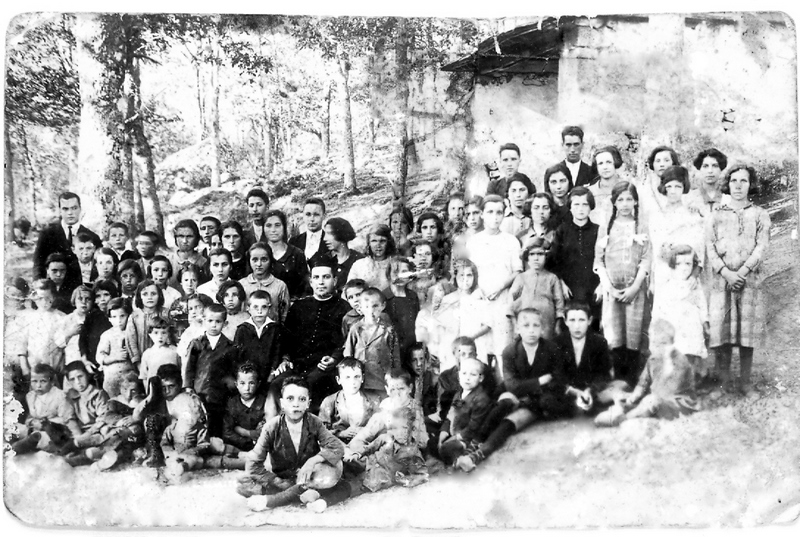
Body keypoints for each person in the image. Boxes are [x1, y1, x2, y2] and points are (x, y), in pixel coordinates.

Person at [455, 309, 571, 472]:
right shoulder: (510, 351)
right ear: (517, 328)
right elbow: (512, 386)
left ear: (542, 328)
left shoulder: (551, 349)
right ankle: (471, 447)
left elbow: (558, 381)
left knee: (509, 422)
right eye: (526, 325)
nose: (531, 330)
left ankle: (477, 456)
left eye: (536, 325)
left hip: (539, 400)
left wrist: (527, 393)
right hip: (515, 394)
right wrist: (539, 381)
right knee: (499, 408)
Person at [240, 376, 351, 514]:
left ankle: (274, 500)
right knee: (243, 484)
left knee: (342, 484)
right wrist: (277, 481)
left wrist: (312, 461)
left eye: (302, 399)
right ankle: (308, 495)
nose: (296, 404)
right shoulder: (271, 427)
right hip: (283, 479)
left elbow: (336, 447)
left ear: (308, 404)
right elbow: (253, 465)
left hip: (310, 478)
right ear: (282, 403)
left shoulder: (314, 422)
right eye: (290, 399)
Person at [706, 163, 770, 395]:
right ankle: (723, 382)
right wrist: (726, 273)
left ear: (750, 184)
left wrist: (741, 273)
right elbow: (710, 247)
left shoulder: (760, 214)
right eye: (734, 180)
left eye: (744, 181)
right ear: (728, 184)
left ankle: (745, 381)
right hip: (722, 282)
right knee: (722, 332)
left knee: (746, 332)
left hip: (748, 281)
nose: (738, 186)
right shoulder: (716, 215)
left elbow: (761, 247)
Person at [267, 257, 350, 416]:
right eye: (316, 277)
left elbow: (346, 342)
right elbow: (286, 338)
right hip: (297, 365)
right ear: (311, 282)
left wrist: (334, 359)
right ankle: (273, 426)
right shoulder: (299, 306)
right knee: (276, 385)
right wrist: (285, 359)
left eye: (326, 277)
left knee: (309, 387)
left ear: (334, 280)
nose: (321, 282)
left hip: (324, 368)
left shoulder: (344, 308)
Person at [594, 181, 652, 386]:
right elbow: (598, 260)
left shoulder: (641, 226)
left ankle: (633, 381)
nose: (625, 204)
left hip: (634, 290)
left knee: (633, 334)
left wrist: (635, 287)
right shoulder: (607, 227)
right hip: (612, 290)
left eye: (629, 199)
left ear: (635, 201)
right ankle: (618, 382)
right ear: (614, 202)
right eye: (620, 199)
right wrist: (608, 286)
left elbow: (646, 258)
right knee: (615, 335)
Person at [594, 319, 699, 427]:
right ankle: (621, 412)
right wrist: (633, 397)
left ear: (672, 343)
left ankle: (624, 419)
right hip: (656, 401)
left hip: (677, 405)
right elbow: (642, 383)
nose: (657, 348)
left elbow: (669, 390)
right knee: (622, 397)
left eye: (663, 343)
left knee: (651, 400)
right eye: (653, 343)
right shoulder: (653, 359)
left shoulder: (680, 361)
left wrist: (667, 361)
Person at [465, 194, 523, 379]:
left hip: (502, 301)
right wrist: (476, 289)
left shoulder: (511, 241)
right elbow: (468, 271)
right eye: (490, 212)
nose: (495, 217)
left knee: (502, 350)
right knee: (481, 349)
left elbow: (517, 271)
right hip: (480, 300)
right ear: (482, 214)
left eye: (499, 212)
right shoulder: (474, 241)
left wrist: (500, 287)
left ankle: (504, 389)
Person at [345, 369, 430, 491]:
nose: (397, 394)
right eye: (392, 390)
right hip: (385, 442)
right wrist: (355, 445)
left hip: (404, 451)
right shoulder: (387, 404)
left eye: (401, 389)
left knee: (384, 465)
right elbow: (370, 430)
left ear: (410, 388)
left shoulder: (414, 408)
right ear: (387, 390)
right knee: (356, 450)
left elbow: (422, 440)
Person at [554, 301, 623, 414]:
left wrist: (590, 390)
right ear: (565, 321)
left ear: (589, 321)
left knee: (617, 387)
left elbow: (603, 373)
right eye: (572, 320)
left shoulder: (599, 342)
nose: (577, 326)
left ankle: (587, 403)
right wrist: (573, 391)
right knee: (549, 400)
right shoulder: (557, 343)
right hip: (568, 389)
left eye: (581, 320)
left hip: (589, 388)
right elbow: (556, 374)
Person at [652, 245, 709, 378]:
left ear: (693, 265)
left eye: (688, 264)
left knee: (691, 352)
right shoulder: (668, 284)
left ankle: (690, 379)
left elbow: (702, 304)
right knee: (675, 352)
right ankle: (675, 379)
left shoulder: (694, 283)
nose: (684, 268)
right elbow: (659, 306)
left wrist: (705, 322)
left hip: (692, 327)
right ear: (673, 265)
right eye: (679, 264)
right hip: (675, 326)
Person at [184, 303, 240, 437]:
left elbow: (233, 370)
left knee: (217, 423)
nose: (213, 325)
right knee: (199, 420)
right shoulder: (196, 344)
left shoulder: (229, 347)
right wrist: (188, 387)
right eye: (210, 321)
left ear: (224, 324)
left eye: (218, 322)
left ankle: (216, 443)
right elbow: (189, 368)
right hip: (200, 391)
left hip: (220, 393)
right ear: (203, 321)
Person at [647, 166, 704, 296]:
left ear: (684, 188)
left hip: (686, 273)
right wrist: (652, 281)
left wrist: (694, 276)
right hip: (663, 274)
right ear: (664, 188)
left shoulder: (692, 216)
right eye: (669, 186)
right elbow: (654, 250)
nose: (673, 191)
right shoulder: (656, 216)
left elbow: (700, 251)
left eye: (678, 186)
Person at [33, 192, 102, 289]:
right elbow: (38, 262)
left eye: (74, 208)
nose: (70, 213)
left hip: (81, 290)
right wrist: (39, 284)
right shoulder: (47, 234)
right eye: (65, 209)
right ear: (60, 210)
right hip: (55, 288)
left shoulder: (92, 237)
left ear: (80, 209)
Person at [343, 287, 401, 398]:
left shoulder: (388, 330)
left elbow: (396, 358)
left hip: (381, 380)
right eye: (366, 307)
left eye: (375, 306)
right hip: (361, 381)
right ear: (360, 308)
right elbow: (348, 355)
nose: (371, 311)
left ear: (383, 306)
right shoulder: (356, 329)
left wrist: (393, 378)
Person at [11, 363, 82, 455]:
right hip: (34, 429)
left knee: (38, 436)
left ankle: (19, 446)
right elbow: (30, 416)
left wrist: (78, 441)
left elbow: (69, 421)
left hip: (55, 433)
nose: (38, 386)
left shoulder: (60, 396)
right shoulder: (31, 396)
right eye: (34, 381)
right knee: (12, 427)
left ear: (52, 382)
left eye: (43, 381)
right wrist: (32, 422)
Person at [437, 357, 494, 466]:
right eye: (464, 373)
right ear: (459, 375)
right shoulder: (459, 394)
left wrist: (455, 438)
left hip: (468, 438)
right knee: (435, 442)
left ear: (480, 378)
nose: (467, 378)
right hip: (455, 431)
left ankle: (462, 457)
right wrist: (443, 434)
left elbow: (473, 427)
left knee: (447, 449)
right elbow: (452, 413)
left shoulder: (481, 399)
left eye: (473, 375)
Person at [435, 259, 491, 369]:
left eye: (469, 275)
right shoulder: (448, 299)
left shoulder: (479, 297)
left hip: (474, 344)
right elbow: (441, 327)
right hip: (452, 345)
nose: (465, 279)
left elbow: (487, 325)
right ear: (455, 277)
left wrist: (469, 339)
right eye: (461, 275)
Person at [510, 238, 566, 340]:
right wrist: (515, 326)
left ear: (546, 256)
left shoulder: (552, 278)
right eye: (532, 254)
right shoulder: (521, 278)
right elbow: (511, 303)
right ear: (527, 257)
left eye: (540, 254)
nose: (536, 258)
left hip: (546, 323)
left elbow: (559, 304)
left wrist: (557, 325)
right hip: (525, 322)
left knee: (545, 346)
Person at [15, 279, 66, 383]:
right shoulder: (28, 317)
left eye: (48, 298)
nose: (44, 302)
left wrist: (62, 363)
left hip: (54, 367)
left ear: (54, 297)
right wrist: (25, 368)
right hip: (33, 368)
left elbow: (65, 343)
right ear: (34, 298)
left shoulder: (61, 317)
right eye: (40, 298)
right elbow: (21, 344)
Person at [319, 358, 381, 442]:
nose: (353, 382)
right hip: (339, 444)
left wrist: (366, 431)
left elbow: (381, 426)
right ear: (338, 380)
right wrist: (341, 433)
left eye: (357, 377)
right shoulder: (330, 401)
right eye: (347, 377)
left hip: (366, 444)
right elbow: (321, 431)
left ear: (362, 378)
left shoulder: (373, 399)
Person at [234, 289, 281, 387]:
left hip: (269, 375)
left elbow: (277, 353)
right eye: (255, 307)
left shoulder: (275, 328)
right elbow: (237, 355)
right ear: (248, 308)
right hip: (247, 376)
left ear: (269, 309)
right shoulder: (242, 329)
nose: (259, 311)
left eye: (264, 307)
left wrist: (272, 372)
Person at [222, 362, 267, 454]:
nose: (247, 388)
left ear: (258, 384)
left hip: (260, 448)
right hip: (237, 447)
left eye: (251, 383)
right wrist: (249, 438)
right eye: (242, 383)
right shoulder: (232, 403)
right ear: (236, 384)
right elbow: (227, 432)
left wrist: (239, 430)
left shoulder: (264, 402)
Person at [263, 209, 309, 300]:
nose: (273, 230)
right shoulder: (256, 253)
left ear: (284, 227)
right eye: (268, 225)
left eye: (277, 225)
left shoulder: (296, 254)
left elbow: (304, 286)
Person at [240, 242, 290, 324]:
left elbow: (284, 315)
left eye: (264, 260)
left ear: (270, 261)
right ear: (249, 261)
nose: (259, 264)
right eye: (255, 260)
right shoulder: (242, 284)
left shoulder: (280, 286)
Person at [96, 298, 134, 397]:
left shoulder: (132, 333)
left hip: (130, 377)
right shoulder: (107, 335)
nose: (119, 320)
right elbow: (100, 357)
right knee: (112, 401)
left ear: (129, 315)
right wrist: (115, 357)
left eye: (122, 316)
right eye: (114, 317)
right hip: (112, 378)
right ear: (109, 318)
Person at [125, 279, 167, 368]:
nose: (149, 297)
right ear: (139, 297)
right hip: (142, 363)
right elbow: (131, 341)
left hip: (164, 360)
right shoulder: (134, 316)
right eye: (145, 294)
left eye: (153, 294)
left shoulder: (165, 314)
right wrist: (138, 364)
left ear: (159, 295)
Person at [348, 224, 396, 290]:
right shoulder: (359, 265)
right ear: (369, 243)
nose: (378, 245)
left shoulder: (396, 263)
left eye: (382, 241)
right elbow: (348, 290)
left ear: (388, 242)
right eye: (374, 241)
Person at [139, 317, 180, 392]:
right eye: (156, 333)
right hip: (155, 391)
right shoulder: (147, 354)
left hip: (172, 390)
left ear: (168, 334)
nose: (160, 336)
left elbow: (181, 371)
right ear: (150, 334)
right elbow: (144, 377)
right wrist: (149, 393)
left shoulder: (175, 351)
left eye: (163, 333)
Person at [323, 216, 364, 292]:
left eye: (330, 233)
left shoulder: (359, 260)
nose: (325, 238)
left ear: (341, 234)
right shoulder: (323, 260)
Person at [686, 148, 730, 218]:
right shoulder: (689, 198)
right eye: (705, 166)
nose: (710, 171)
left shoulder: (728, 198)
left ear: (721, 169)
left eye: (715, 166)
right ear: (700, 169)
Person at [588, 146, 625, 227]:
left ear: (615, 163)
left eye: (608, 162)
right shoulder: (589, 192)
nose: (605, 167)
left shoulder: (627, 189)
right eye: (600, 163)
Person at [290, 197, 330, 265]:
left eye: (316, 214)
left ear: (324, 216)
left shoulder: (330, 241)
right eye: (308, 214)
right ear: (303, 216)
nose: (312, 219)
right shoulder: (294, 241)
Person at [167, 219, 207, 286]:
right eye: (181, 236)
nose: (184, 241)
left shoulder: (204, 263)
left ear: (196, 238)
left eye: (189, 237)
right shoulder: (167, 261)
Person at [543, 163, 573, 229]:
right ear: (547, 184)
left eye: (562, 181)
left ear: (569, 181)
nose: (558, 186)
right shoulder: (544, 207)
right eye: (554, 182)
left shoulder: (575, 205)